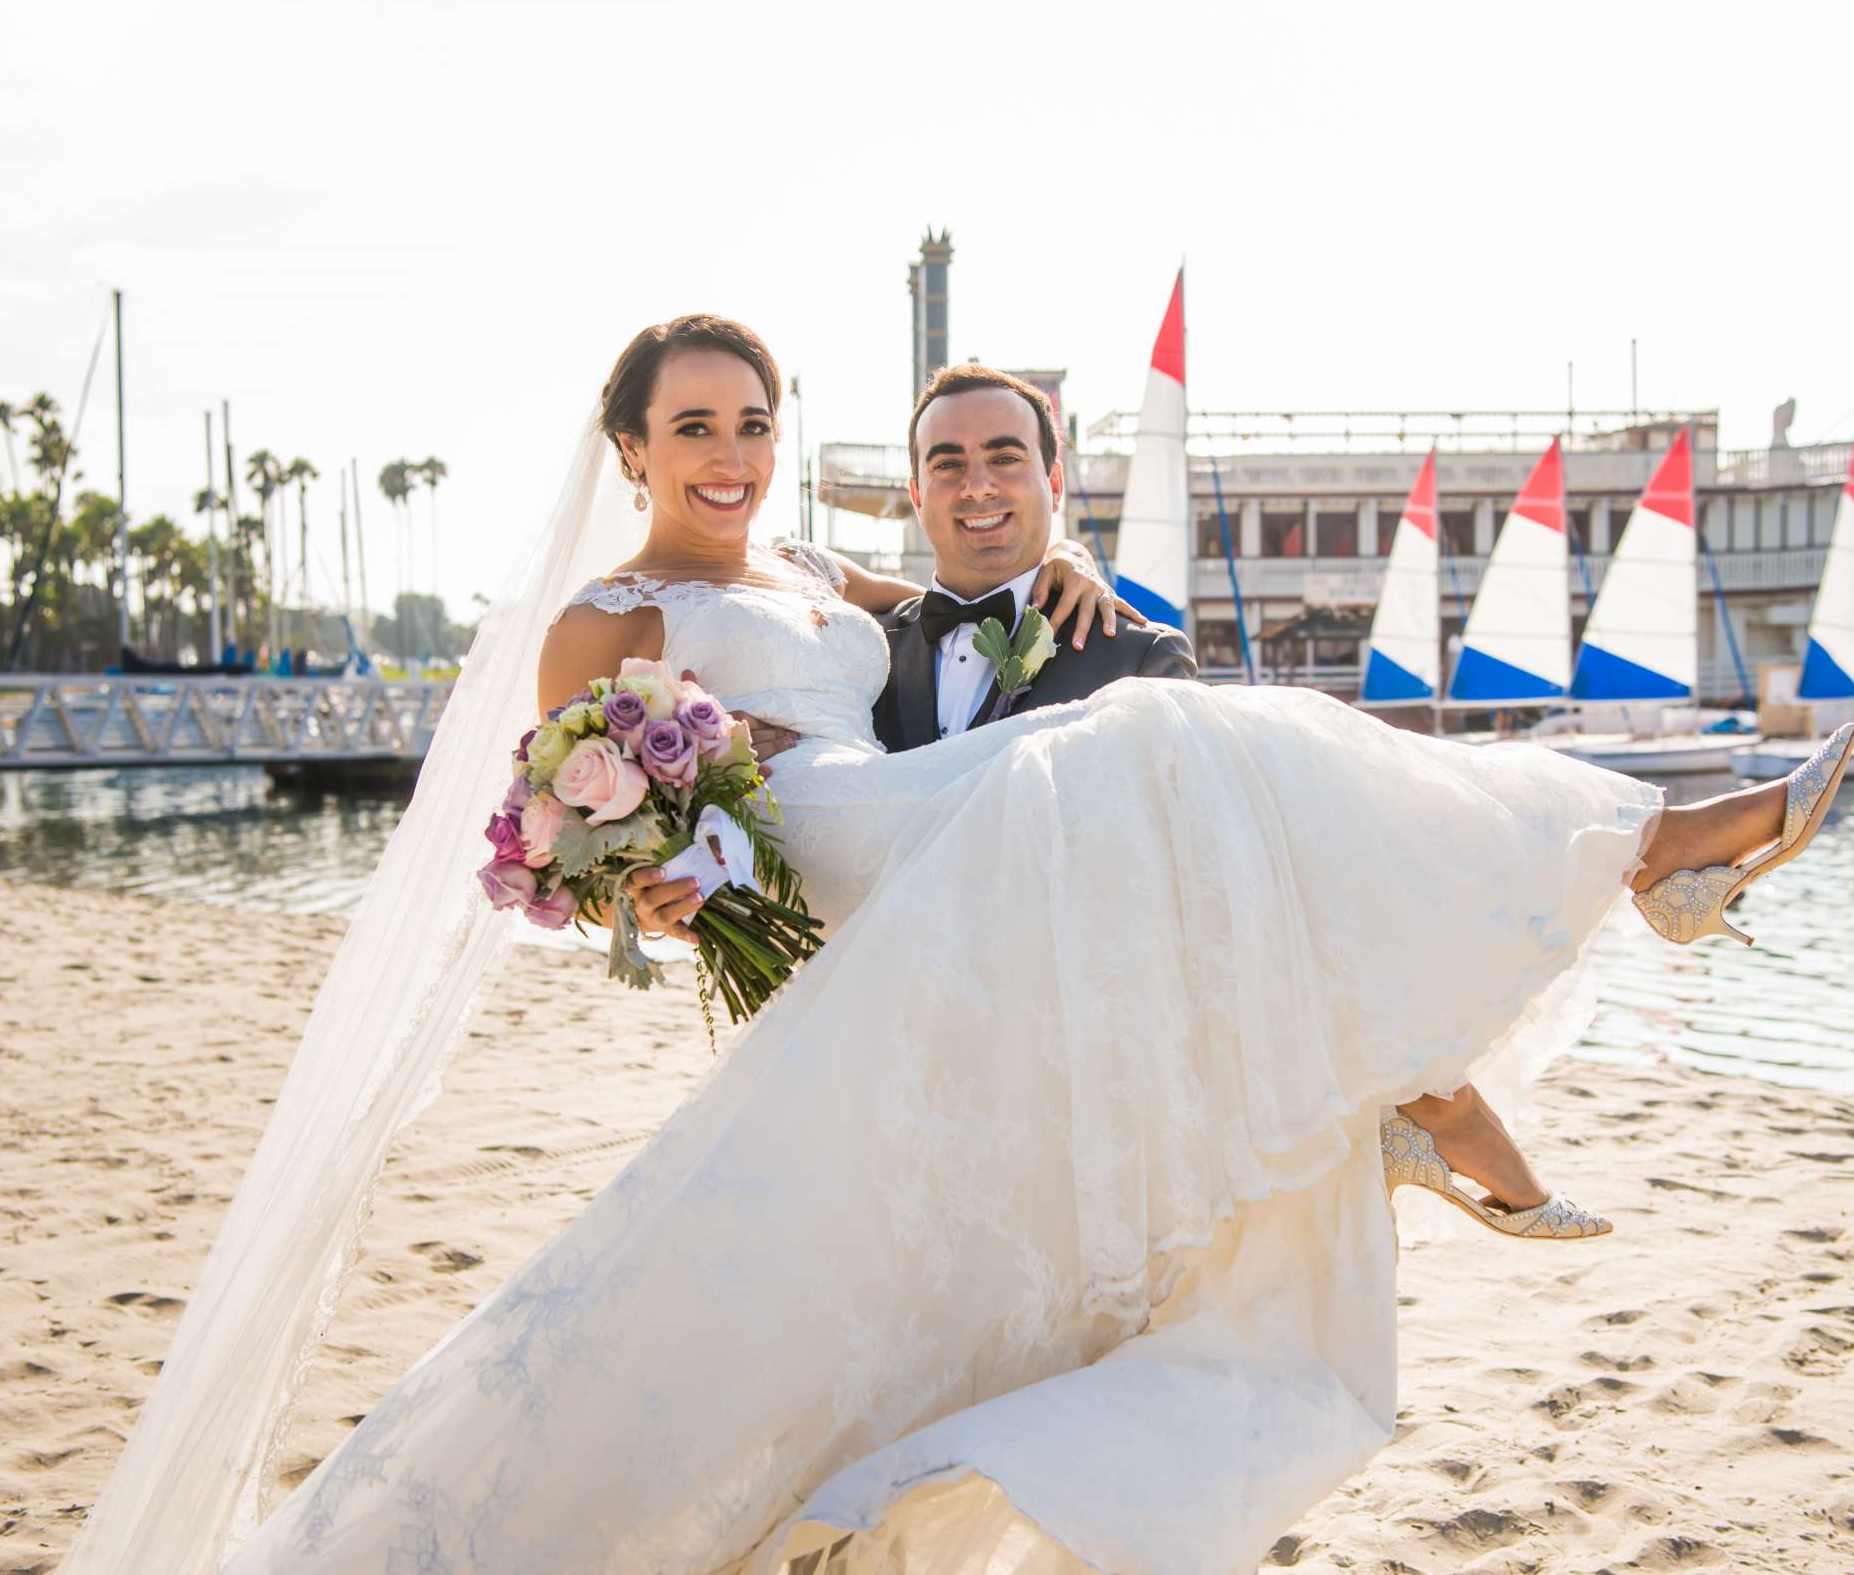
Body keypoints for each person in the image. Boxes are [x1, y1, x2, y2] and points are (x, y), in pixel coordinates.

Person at [70, 315, 1854, 1575]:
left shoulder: (824, 588)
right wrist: (655, 887)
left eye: (752, 421)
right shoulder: (607, 615)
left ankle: (1521, 966)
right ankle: (1632, 861)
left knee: (1180, 752)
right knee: (1171, 748)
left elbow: (951, 613)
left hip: (938, 851)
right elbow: (574, 832)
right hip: (859, 848)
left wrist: (1075, 575)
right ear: (630, 448)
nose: (728, 453)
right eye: (691, 426)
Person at [628, 363, 1610, 1223]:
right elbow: (811, 834)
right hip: (898, 1077)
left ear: (1054, 480)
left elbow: (1220, 879)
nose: (978, 485)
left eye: (1007, 456)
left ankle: (1451, 1063)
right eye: (948, 463)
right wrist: (686, 890)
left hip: (1097, 1098)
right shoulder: (848, 665)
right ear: (916, 493)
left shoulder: (1137, 655)